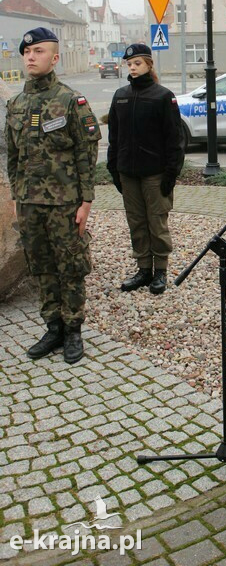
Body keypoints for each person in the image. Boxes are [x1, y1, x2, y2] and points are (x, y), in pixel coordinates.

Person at [5, 27, 100, 364]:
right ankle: (53, 327)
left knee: (70, 267)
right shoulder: (16, 104)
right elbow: (12, 157)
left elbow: (87, 155)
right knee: (42, 267)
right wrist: (17, 197)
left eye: (39, 51)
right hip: (31, 204)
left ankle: (73, 330)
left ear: (54, 58)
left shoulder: (71, 101)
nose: (31, 57)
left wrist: (85, 202)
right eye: (27, 52)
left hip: (65, 203)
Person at [107, 44, 184, 295]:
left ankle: (160, 270)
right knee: (136, 222)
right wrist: (114, 169)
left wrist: (171, 174)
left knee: (156, 223)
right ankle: (143, 269)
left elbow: (174, 139)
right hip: (128, 173)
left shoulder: (163, 96)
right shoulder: (120, 95)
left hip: (155, 173)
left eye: (137, 63)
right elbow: (114, 137)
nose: (132, 68)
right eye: (129, 64)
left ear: (149, 65)